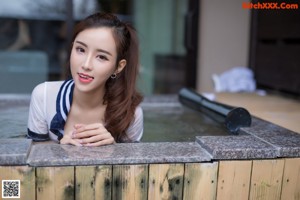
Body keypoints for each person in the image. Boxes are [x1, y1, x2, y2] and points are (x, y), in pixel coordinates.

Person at [27, 12, 143, 146]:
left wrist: (113, 149)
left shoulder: (131, 113)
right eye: (80, 50)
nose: (86, 65)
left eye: (101, 57)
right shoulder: (44, 96)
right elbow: (33, 155)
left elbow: (135, 165)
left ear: (118, 67)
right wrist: (60, 148)